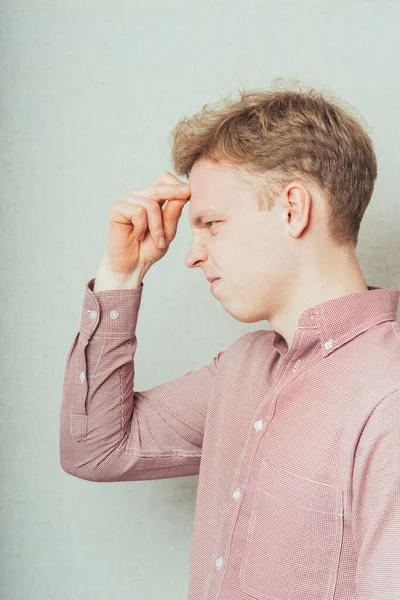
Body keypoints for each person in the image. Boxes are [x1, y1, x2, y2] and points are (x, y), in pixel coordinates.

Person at [60, 83, 400, 600]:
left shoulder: (388, 398)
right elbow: (95, 450)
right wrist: (120, 276)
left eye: (212, 224)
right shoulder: (240, 370)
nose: (191, 255)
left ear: (293, 209)